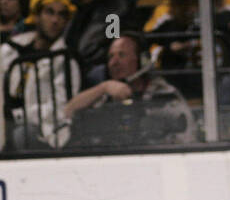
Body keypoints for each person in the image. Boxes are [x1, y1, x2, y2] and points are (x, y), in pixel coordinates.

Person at [65, 34, 194, 146]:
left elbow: (185, 137)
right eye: (110, 57)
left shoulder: (163, 93)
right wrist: (102, 88)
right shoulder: (106, 94)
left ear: (142, 60)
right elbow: (68, 112)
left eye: (122, 55)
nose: (114, 62)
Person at [0, 0, 83, 147]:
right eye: (49, 12)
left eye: (62, 15)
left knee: (22, 134)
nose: (55, 20)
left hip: (44, 132)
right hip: (2, 123)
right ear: (36, 16)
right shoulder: (9, 50)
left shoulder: (67, 60)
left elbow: (60, 109)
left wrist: (15, 116)